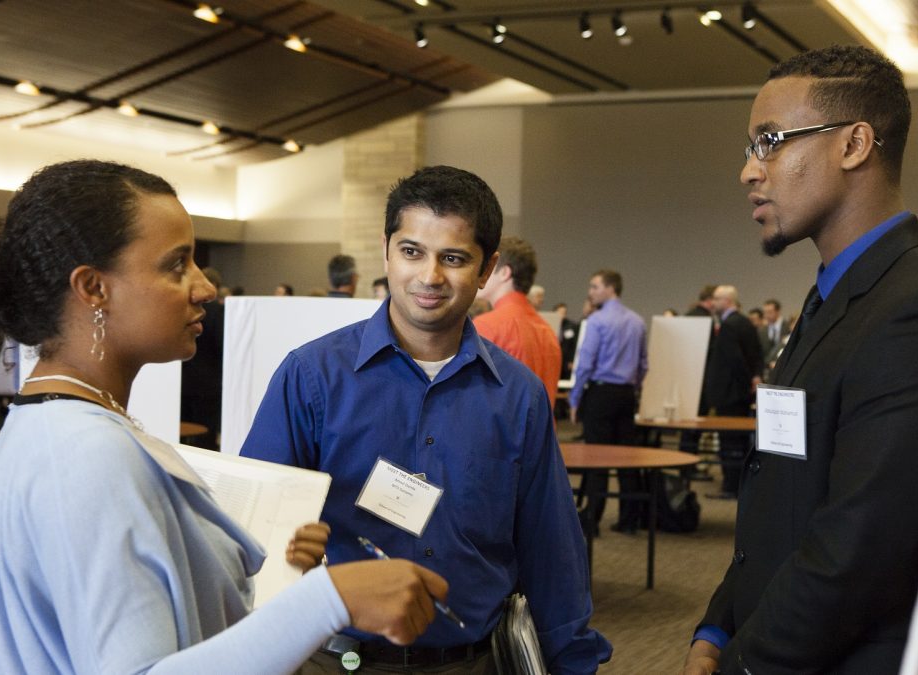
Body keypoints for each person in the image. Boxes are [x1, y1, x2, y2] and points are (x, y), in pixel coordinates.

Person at [0, 160, 448, 674]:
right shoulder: (86, 452)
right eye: (175, 265)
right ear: (93, 288)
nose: (204, 288)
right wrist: (331, 599)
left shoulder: (57, 424)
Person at [683, 46, 918, 674]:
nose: (749, 171)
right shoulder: (832, 298)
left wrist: (740, 664)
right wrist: (718, 623)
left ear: (855, 145)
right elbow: (786, 498)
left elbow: (860, 552)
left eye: (770, 140)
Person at [241, 165, 610, 673]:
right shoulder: (311, 376)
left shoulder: (518, 395)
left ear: (487, 270)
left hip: (472, 661)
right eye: (412, 251)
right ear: (387, 251)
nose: (430, 276)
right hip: (340, 660)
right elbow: (253, 534)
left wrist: (574, 662)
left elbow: (551, 551)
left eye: (454, 258)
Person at [569, 269, 648, 535]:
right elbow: (643, 365)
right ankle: (629, 520)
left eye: (595, 286)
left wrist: (574, 398)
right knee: (628, 458)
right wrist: (632, 389)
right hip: (626, 395)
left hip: (600, 394)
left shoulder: (597, 321)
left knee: (598, 458)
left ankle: (593, 518)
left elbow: (585, 364)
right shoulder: (637, 321)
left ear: (610, 288)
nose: (590, 292)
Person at [473, 236, 562, 409]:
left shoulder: (486, 325)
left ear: (505, 273)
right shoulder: (547, 330)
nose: (480, 273)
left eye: (487, 267)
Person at [699, 285, 762, 498]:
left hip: (729, 394)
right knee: (738, 442)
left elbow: (735, 361)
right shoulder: (745, 323)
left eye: (716, 299)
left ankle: (730, 486)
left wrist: (744, 382)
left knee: (729, 443)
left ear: (727, 301)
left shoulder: (728, 326)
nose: (713, 303)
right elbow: (755, 356)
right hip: (740, 394)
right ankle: (738, 484)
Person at [180, 266, 225, 449]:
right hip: (208, 385)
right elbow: (221, 345)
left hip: (183, 382)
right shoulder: (217, 311)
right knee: (205, 438)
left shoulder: (181, 307)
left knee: (183, 434)